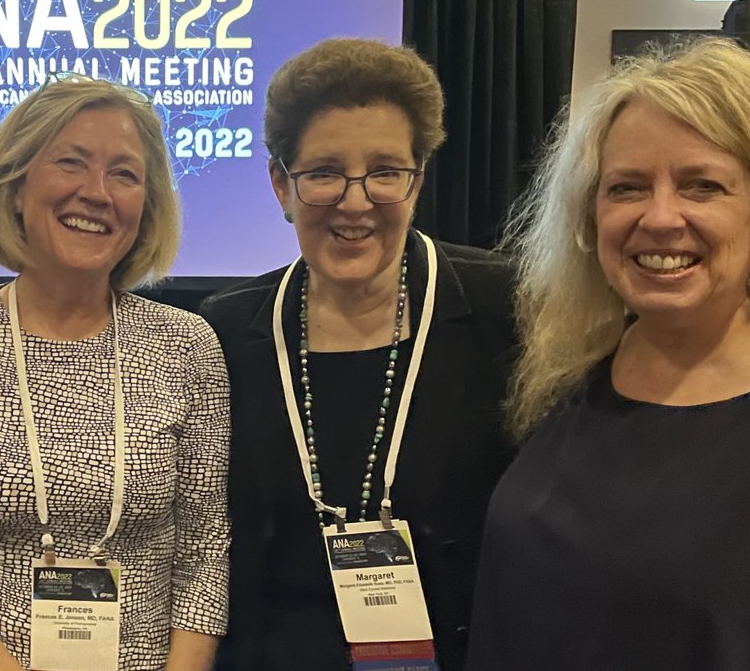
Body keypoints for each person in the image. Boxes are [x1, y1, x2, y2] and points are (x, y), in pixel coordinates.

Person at [467, 38, 750, 669]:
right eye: (627, 187)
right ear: (589, 218)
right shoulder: (563, 382)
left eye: (703, 185)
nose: (661, 217)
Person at [0, 75, 230, 671]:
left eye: (124, 174)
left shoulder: (187, 345)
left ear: (146, 207)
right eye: (71, 162)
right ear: (15, 185)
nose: (97, 192)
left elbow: (204, 556)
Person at [198, 38, 517, 671]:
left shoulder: (506, 310)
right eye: (322, 173)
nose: (354, 201)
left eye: (384, 171)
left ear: (417, 179)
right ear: (281, 186)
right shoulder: (226, 331)